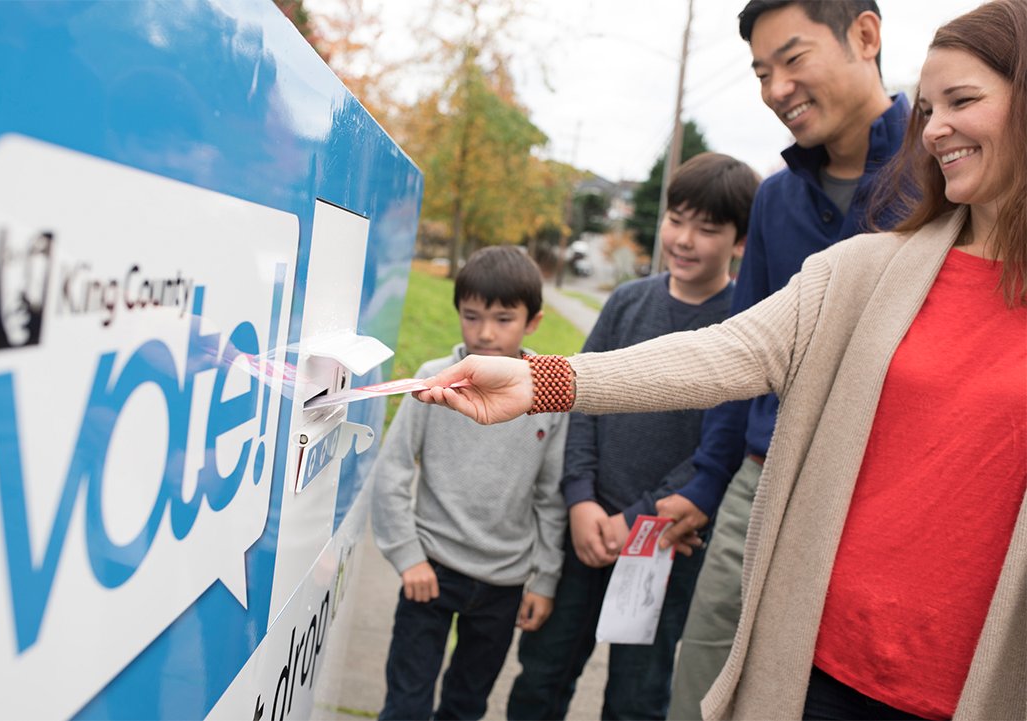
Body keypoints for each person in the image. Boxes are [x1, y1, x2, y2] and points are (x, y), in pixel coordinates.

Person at [414, 1, 1027, 718]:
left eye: (963, 101)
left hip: (973, 680)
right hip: (826, 662)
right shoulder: (869, 269)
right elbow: (724, 353)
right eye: (928, 108)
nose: (937, 127)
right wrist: (540, 377)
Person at [648, 4, 913, 717]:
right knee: (700, 684)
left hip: (887, 501)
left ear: (865, 35)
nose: (775, 88)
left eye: (793, 60)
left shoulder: (945, 174)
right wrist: (708, 482)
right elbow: (741, 357)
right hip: (759, 488)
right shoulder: (773, 200)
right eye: (762, 72)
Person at [506, 153, 759, 721]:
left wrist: (640, 516)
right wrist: (580, 499)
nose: (685, 239)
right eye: (677, 219)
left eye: (709, 228)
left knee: (636, 700)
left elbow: (718, 446)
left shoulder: (743, 328)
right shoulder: (626, 303)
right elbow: (580, 399)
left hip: (668, 543)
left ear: (740, 240)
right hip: (586, 527)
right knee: (541, 676)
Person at [370, 245, 568, 721]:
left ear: (533, 322)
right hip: (430, 573)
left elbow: (551, 497)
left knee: (465, 707)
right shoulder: (429, 379)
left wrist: (544, 579)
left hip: (504, 583)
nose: (484, 333)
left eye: (503, 319)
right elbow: (393, 470)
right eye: (472, 316)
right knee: (406, 707)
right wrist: (407, 555)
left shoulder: (548, 392)